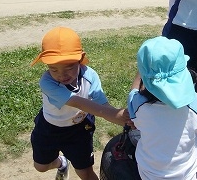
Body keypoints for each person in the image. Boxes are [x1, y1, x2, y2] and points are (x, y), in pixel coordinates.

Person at [30, 26, 130, 180]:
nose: (61, 75)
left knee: (85, 173)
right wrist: (116, 115)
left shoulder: (90, 76)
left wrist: (125, 119)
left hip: (79, 129)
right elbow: (78, 102)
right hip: (48, 128)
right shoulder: (47, 82)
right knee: (41, 166)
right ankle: (61, 163)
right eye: (53, 69)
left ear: (80, 59)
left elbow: (103, 105)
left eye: (69, 67)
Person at [128, 36, 197, 180]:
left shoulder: (138, 103)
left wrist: (142, 71)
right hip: (186, 177)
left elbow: (133, 91)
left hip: (148, 175)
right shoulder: (194, 103)